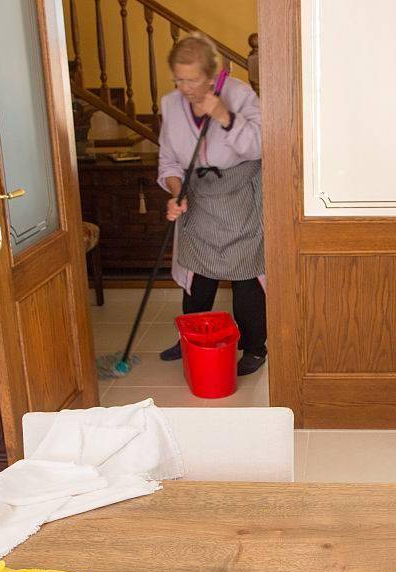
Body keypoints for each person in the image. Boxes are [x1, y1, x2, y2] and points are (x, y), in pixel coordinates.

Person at [156, 33, 266, 377]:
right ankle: (190, 338)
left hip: (240, 195)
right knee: (198, 273)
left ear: (211, 74)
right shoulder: (170, 104)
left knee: (245, 273)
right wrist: (176, 191)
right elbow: (169, 160)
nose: (185, 88)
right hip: (198, 194)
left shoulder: (239, 94)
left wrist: (222, 114)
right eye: (179, 79)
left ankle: (254, 346)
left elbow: (261, 145)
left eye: (192, 79)